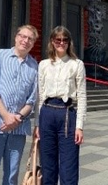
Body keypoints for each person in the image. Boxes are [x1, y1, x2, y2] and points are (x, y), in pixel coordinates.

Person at [0, 25, 39, 185]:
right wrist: (6, 116)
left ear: (33, 43)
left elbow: (31, 101)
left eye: (30, 39)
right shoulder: (0, 56)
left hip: (18, 128)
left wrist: (16, 119)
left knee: (12, 176)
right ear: (16, 37)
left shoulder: (34, 67)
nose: (25, 41)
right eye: (22, 36)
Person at [34, 26, 87, 185]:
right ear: (52, 41)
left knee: (68, 165)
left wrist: (80, 126)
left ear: (69, 42)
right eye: (58, 40)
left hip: (67, 114)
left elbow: (82, 96)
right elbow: (40, 95)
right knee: (47, 164)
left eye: (65, 40)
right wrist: (37, 123)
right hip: (47, 112)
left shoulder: (77, 64)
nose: (61, 43)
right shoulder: (43, 64)